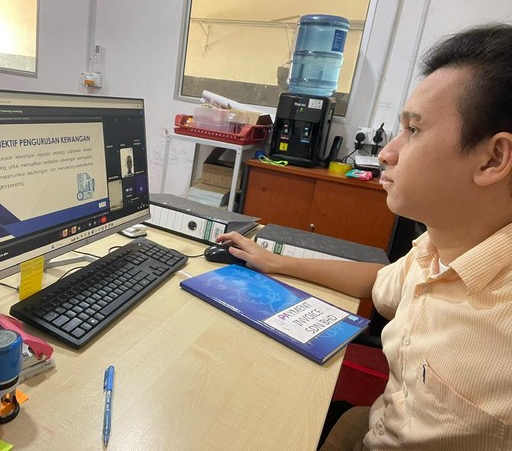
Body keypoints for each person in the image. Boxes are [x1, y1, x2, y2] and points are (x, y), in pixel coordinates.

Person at [217, 23, 512, 450]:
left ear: (493, 158)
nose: (387, 153)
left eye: (414, 130)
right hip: (374, 428)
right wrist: (275, 262)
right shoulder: (437, 248)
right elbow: (379, 281)